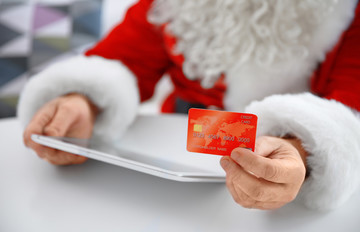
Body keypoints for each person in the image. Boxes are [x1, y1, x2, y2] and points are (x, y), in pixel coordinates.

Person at [18, 0, 360, 210]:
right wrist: (81, 101)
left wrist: (301, 151)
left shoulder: (346, 14)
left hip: (280, 188)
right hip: (169, 171)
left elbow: (348, 112)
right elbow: (118, 61)